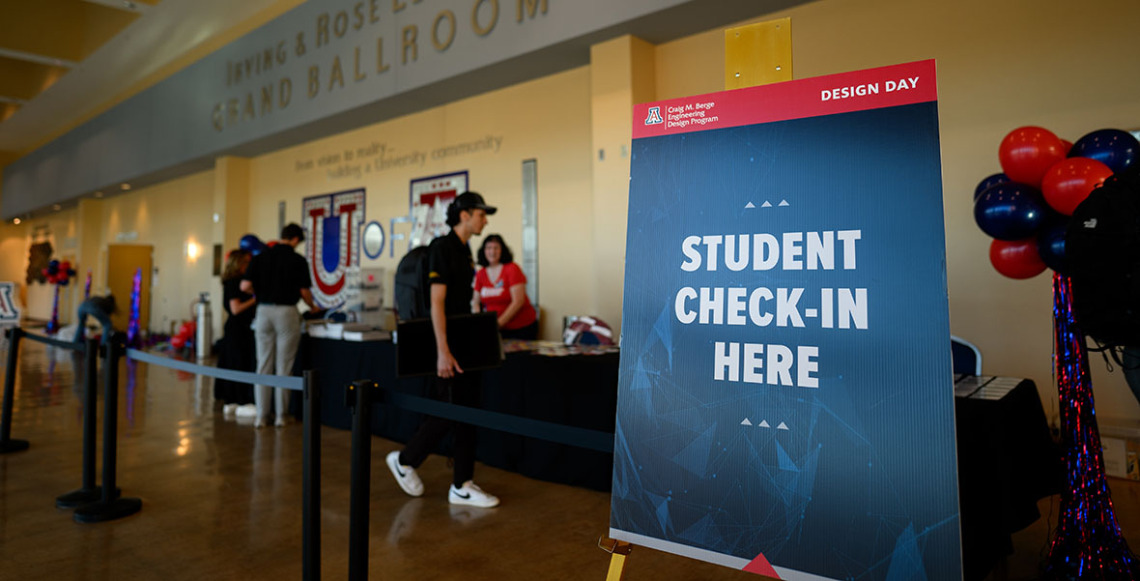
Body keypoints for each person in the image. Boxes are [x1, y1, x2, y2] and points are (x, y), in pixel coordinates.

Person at [387, 191, 501, 508]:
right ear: (464, 214)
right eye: (481, 213)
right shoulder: (442, 248)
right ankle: (405, 459)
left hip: (463, 344)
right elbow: (436, 303)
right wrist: (442, 351)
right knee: (451, 410)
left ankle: (461, 484)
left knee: (465, 412)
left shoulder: (465, 251)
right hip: (447, 345)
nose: (485, 219)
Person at [241, 224, 323, 428]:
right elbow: (304, 292)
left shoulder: (260, 257)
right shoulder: (297, 260)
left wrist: (260, 293)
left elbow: (244, 286)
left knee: (263, 365)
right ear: (295, 240)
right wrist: (313, 306)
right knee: (284, 367)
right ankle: (281, 416)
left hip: (263, 311)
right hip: (286, 311)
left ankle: (261, 416)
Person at [214, 249, 257, 407]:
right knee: (237, 362)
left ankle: (235, 398)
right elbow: (236, 308)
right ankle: (236, 398)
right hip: (237, 329)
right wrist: (255, 299)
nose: (248, 265)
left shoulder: (239, 281)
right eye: (245, 262)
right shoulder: (233, 282)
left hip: (242, 328)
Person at [475, 234, 538, 340]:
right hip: (496, 328)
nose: (492, 252)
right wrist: (479, 322)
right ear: (483, 251)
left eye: (496, 248)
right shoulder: (480, 273)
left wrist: (497, 324)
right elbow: (475, 302)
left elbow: (518, 301)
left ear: (502, 250)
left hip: (521, 328)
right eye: (489, 248)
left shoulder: (512, 268)